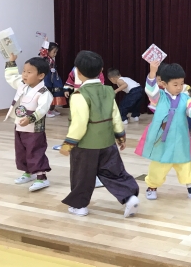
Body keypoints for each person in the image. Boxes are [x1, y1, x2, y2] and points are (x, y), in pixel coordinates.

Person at [59, 51, 140, 217]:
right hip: (108, 142)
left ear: (78, 72)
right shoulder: (109, 91)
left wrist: (68, 145)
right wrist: (120, 137)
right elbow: (116, 116)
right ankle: (129, 197)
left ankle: (79, 206)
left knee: (82, 176)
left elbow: (79, 124)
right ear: (101, 70)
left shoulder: (79, 95)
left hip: (85, 146)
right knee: (114, 172)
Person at [139, 61, 191, 202]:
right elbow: (150, 91)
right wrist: (152, 72)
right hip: (163, 140)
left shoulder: (186, 98)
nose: (179, 87)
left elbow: (190, 111)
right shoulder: (159, 97)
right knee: (158, 165)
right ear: (164, 84)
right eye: (175, 84)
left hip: (181, 139)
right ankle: (152, 187)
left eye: (181, 83)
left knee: (186, 164)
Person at [4, 53, 53, 192]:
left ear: (41, 75)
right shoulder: (23, 85)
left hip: (34, 128)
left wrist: (31, 118)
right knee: (21, 150)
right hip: (20, 124)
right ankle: (28, 172)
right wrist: (11, 62)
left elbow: (42, 109)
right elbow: (11, 77)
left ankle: (42, 177)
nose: (24, 74)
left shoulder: (44, 92)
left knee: (35, 150)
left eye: (29, 72)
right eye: (24, 71)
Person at [38, 38, 66, 117]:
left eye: (56, 52)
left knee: (54, 93)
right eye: (54, 52)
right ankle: (46, 111)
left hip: (53, 78)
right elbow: (43, 52)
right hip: (47, 79)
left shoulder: (52, 60)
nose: (55, 54)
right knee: (47, 94)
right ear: (48, 51)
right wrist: (46, 42)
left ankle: (52, 109)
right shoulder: (45, 59)